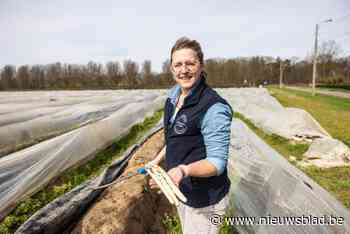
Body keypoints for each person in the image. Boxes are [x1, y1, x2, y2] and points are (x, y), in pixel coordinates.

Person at [149, 37, 233, 234]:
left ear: (201, 65)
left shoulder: (213, 108)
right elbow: (176, 140)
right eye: (178, 64)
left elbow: (216, 163)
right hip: (182, 191)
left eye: (190, 63)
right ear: (171, 68)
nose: (183, 70)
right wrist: (155, 160)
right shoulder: (173, 96)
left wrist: (182, 171)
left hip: (205, 201)